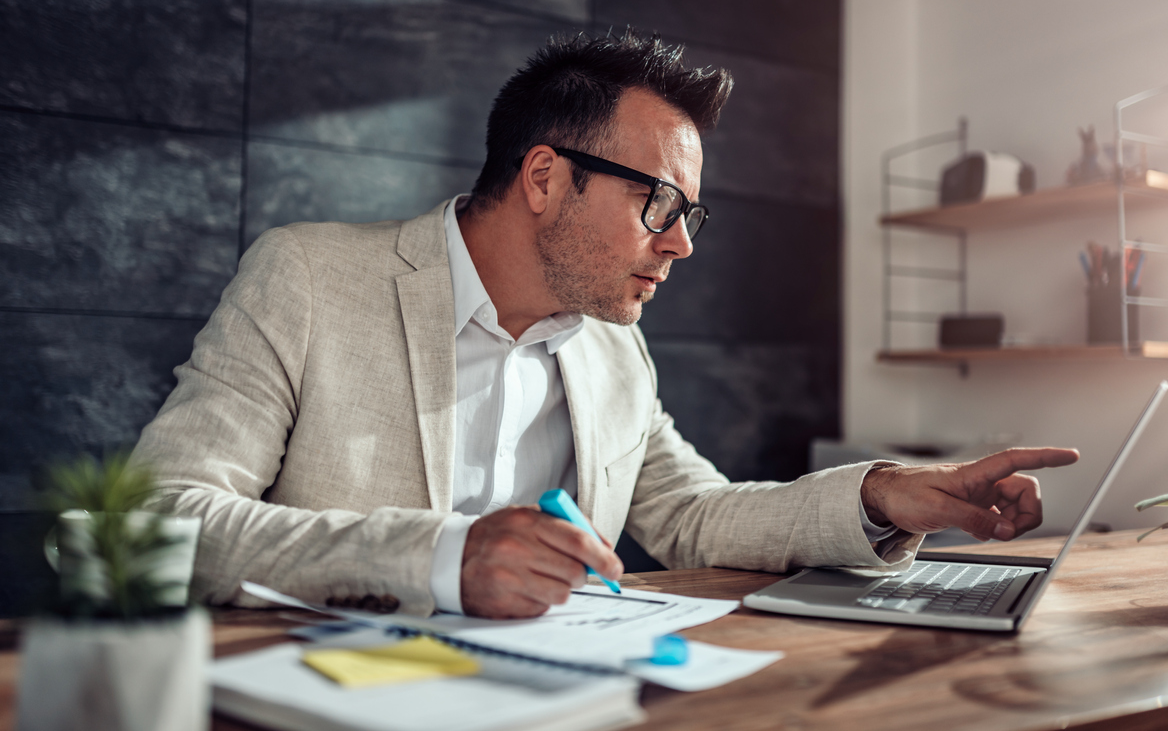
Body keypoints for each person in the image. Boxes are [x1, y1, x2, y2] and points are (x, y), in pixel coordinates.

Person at [130, 31, 1078, 619]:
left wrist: (884, 496)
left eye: (690, 215)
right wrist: (443, 554)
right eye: (660, 203)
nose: (680, 246)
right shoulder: (307, 277)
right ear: (544, 177)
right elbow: (154, 518)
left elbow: (695, 516)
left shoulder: (613, 344)